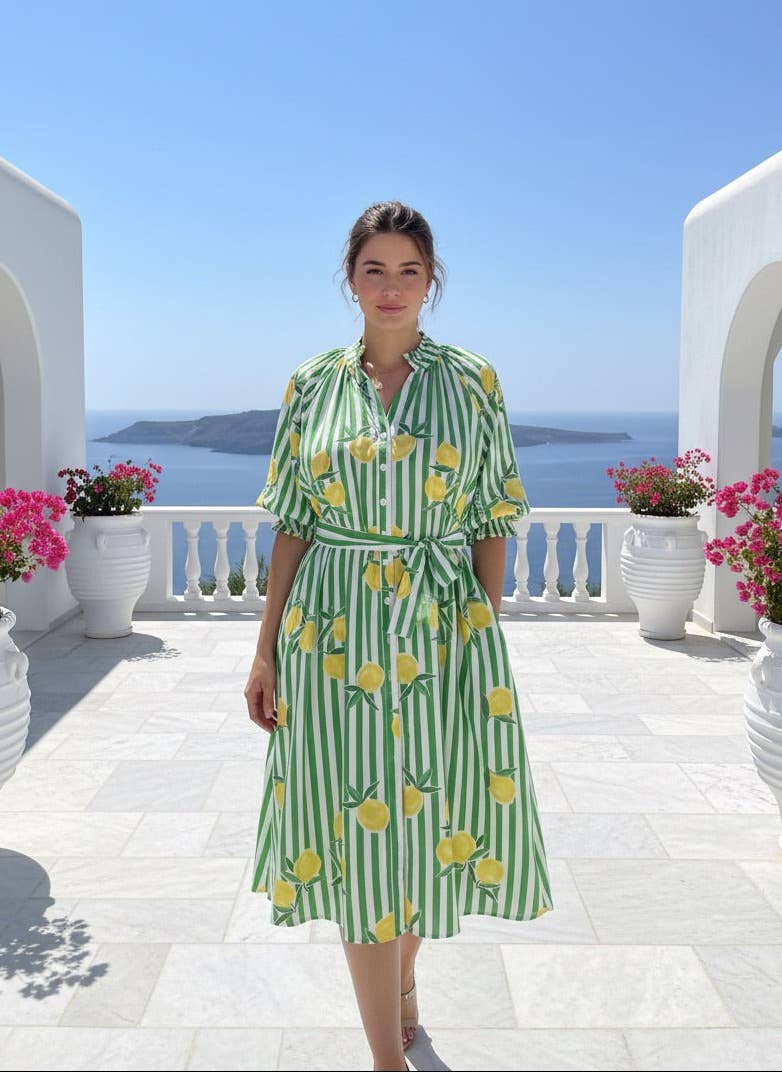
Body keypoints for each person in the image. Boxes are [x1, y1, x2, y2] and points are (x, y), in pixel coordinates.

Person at [244, 200, 554, 1072]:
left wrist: (482, 634)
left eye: (408, 270)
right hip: (331, 635)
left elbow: (492, 515)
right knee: (359, 844)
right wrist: (265, 650)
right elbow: (294, 523)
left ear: (431, 281)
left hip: (441, 632)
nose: (391, 287)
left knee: (429, 825)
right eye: (373, 270)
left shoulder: (472, 382)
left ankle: (404, 978)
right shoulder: (312, 385)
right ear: (350, 280)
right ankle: (386, 1058)